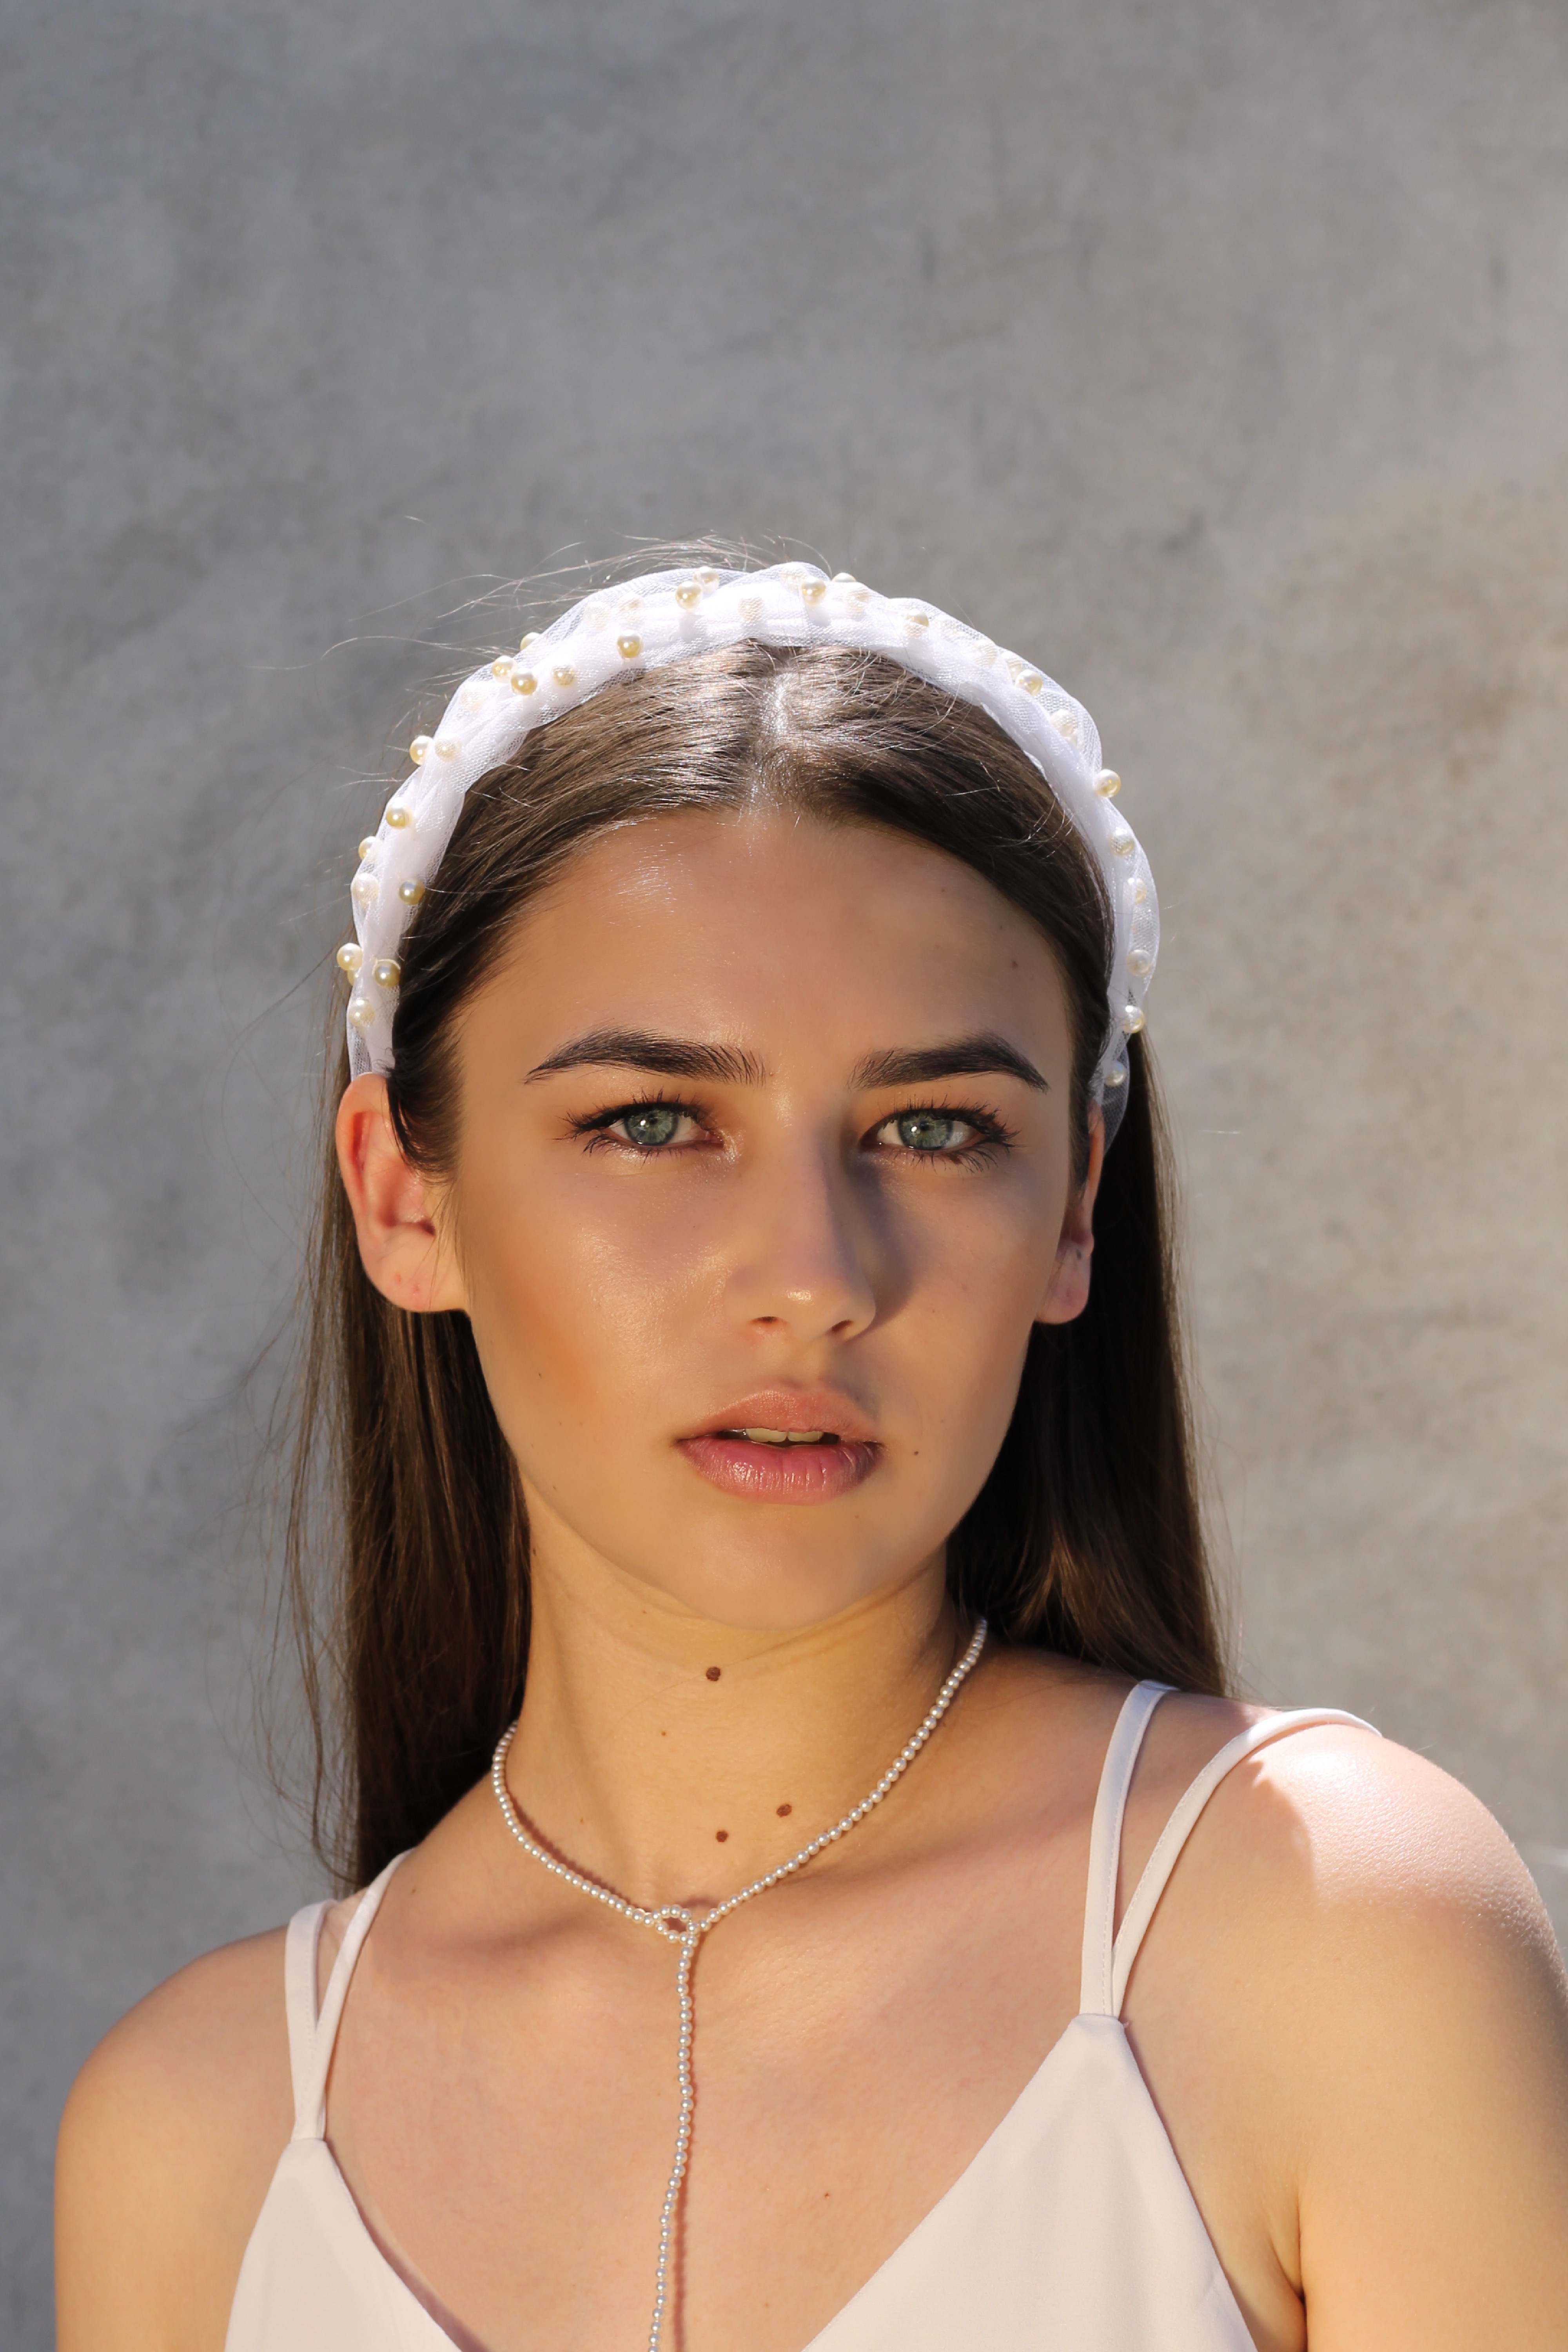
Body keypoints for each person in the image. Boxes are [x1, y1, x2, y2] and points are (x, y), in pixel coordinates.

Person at [56, 561, 1568, 2352]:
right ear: (404, 1195)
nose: (812, 1277)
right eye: (651, 1122)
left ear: (1072, 1212)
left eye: (933, 1129)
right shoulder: (196, 2141)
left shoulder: (1332, 1931)